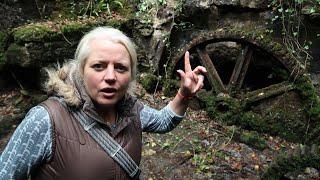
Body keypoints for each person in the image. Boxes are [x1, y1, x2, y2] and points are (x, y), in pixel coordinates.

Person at [0, 26, 207, 179]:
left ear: (131, 75)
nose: (110, 76)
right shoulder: (45, 120)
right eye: (99, 66)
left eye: (120, 68)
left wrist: (183, 95)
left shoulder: (131, 109)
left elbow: (163, 121)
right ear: (81, 71)